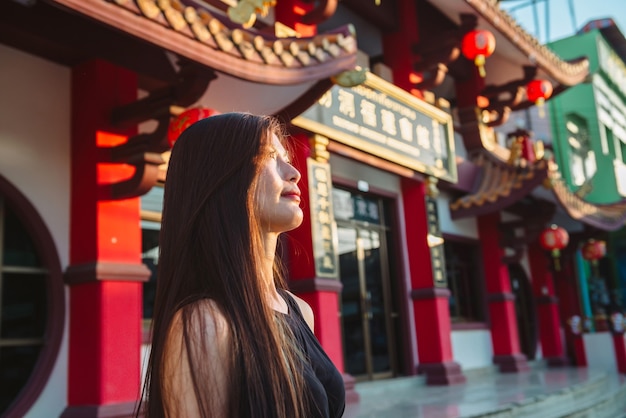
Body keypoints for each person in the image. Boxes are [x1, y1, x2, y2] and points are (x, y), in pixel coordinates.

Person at [140, 112, 346, 418]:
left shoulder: (300, 310)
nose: (294, 173)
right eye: (269, 157)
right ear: (220, 178)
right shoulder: (205, 323)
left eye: (286, 158)